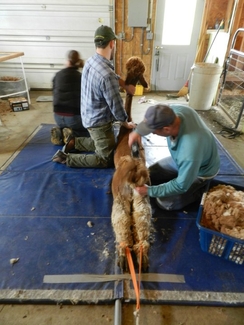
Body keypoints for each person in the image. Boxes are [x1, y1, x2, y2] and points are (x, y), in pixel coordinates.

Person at [52, 25, 135, 167]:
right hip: (99, 124)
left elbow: (112, 75)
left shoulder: (91, 61)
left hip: (88, 116)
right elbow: (116, 106)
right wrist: (125, 122)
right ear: (112, 43)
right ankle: (67, 159)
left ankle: (74, 142)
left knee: (108, 143)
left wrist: (125, 85)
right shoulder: (106, 75)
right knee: (106, 158)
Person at [128, 104, 220, 210]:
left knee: (166, 203)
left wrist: (148, 191)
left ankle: (201, 191)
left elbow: (181, 186)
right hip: (182, 160)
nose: (152, 134)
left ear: (166, 129)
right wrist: (137, 132)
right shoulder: (177, 111)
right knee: (151, 173)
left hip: (201, 171)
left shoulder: (189, 150)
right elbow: (157, 113)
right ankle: (182, 176)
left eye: (153, 132)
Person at [51, 50, 89, 146]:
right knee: (90, 132)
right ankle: (72, 134)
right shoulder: (81, 77)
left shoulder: (58, 75)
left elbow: (54, 93)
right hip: (74, 118)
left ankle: (60, 131)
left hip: (57, 117)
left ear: (67, 60)